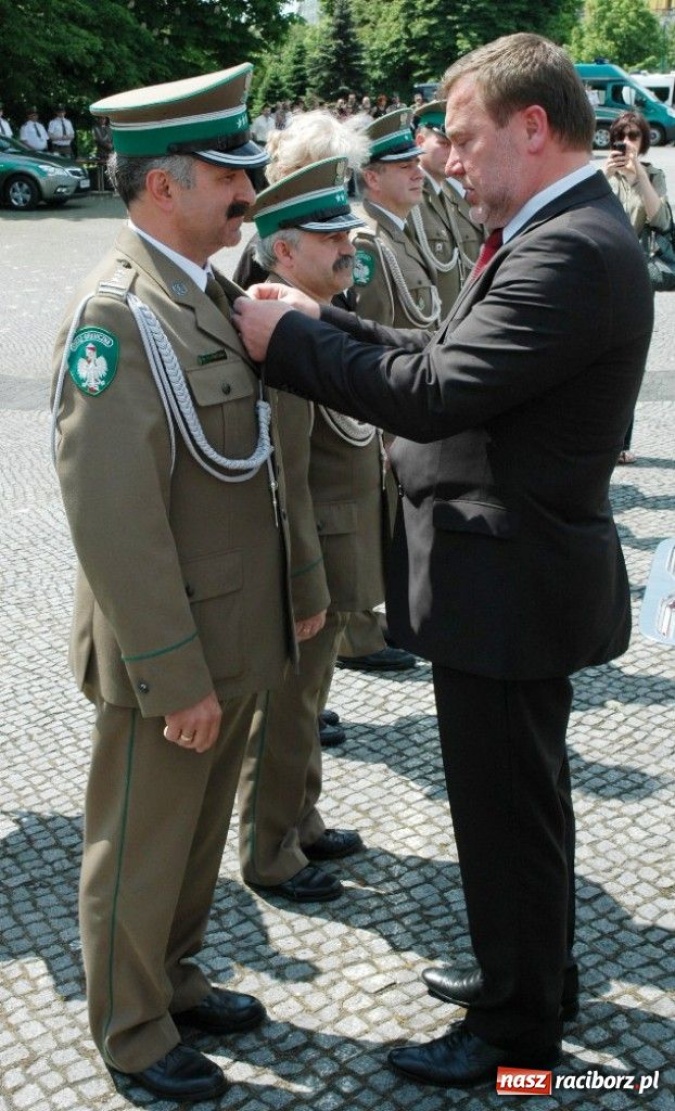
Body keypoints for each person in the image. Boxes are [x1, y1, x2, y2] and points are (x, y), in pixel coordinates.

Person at [232, 32, 653, 1087]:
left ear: (532, 126)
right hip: (513, 577)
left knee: (506, 813)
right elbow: (435, 353)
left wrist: (289, 344)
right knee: (522, 804)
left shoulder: (567, 248)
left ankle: (515, 1033)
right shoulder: (555, 229)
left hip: (509, 584)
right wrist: (323, 320)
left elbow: (432, 394)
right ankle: (530, 973)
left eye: (463, 138)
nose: (448, 160)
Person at [50, 64, 306, 1104]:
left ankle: (177, 978)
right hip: (175, 651)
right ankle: (131, 1026)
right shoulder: (119, 316)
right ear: (165, 186)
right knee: (142, 847)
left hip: (231, 632)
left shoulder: (200, 292)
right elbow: (112, 515)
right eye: (229, 175)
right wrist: (172, 670)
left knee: (194, 842)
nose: (249, 192)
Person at [238, 156, 387, 902]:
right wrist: (302, 579)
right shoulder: (275, 332)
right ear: (283, 252)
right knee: (285, 707)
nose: (346, 247)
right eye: (329, 238)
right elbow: (284, 474)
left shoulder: (310, 319)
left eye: (346, 233)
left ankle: (301, 816)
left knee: (308, 698)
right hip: (308, 556)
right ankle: (269, 850)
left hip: (336, 544)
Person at [337, 107, 439, 673]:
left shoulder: (399, 232)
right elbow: (368, 337)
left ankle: (383, 615)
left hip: (410, 400)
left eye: (416, 163)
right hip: (389, 409)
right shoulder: (369, 245)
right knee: (376, 516)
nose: (418, 172)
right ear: (371, 178)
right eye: (403, 167)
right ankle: (356, 630)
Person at [603, 109, 670, 465]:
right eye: (620, 136)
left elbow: (661, 219)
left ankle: (621, 442)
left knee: (628, 358)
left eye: (633, 137)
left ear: (643, 142)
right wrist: (604, 175)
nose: (626, 143)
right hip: (601, 273)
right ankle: (597, 438)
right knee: (596, 356)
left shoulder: (654, 175)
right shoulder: (602, 176)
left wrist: (639, 175)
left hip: (638, 277)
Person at [411, 99, 484, 315]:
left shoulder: (448, 193)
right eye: (443, 144)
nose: (452, 154)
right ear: (420, 142)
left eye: (456, 145)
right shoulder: (411, 200)